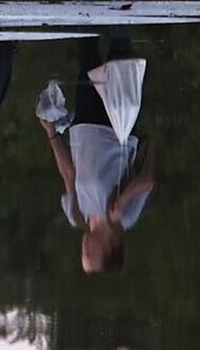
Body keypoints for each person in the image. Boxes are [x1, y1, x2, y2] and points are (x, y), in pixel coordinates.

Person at [39, 33, 155, 273]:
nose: (84, 249)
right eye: (91, 253)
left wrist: (51, 133)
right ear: (111, 248)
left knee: (86, 57)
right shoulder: (126, 218)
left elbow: (68, 174)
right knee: (119, 56)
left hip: (85, 128)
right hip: (117, 127)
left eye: (83, 254)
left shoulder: (77, 217)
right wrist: (121, 202)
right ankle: (121, 3)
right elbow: (146, 181)